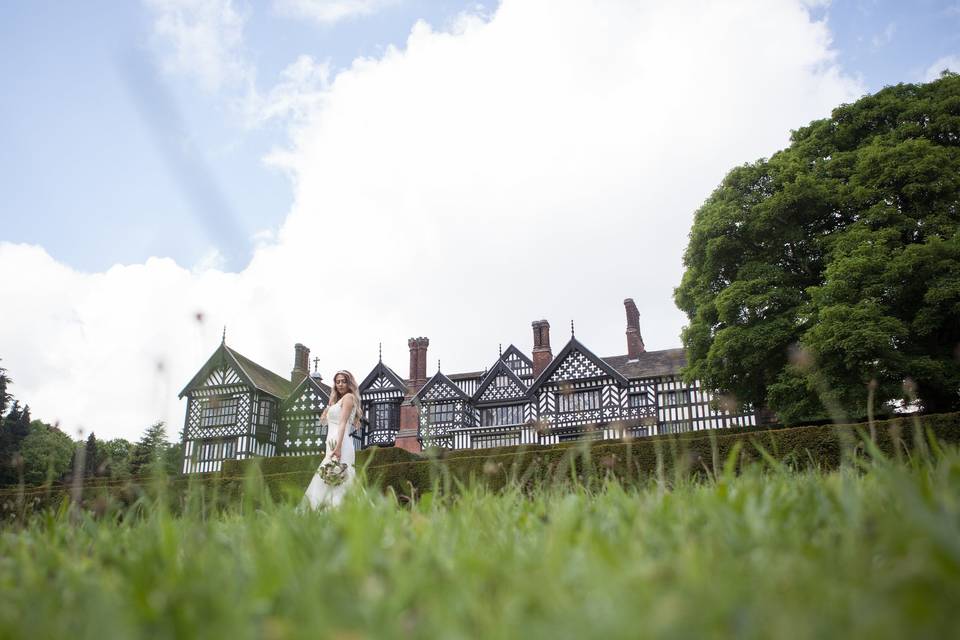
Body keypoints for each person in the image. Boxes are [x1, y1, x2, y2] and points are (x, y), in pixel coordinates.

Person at [301, 370, 362, 510]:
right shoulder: (336, 401)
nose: (340, 384)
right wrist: (328, 409)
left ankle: (340, 510)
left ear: (349, 383)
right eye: (337, 381)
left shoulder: (348, 397)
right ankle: (324, 509)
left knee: (341, 477)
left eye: (344, 381)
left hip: (340, 443)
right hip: (331, 444)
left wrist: (338, 447)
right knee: (328, 477)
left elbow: (342, 423)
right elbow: (324, 423)